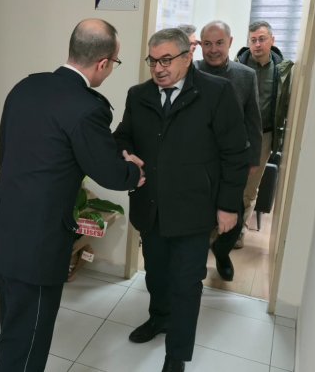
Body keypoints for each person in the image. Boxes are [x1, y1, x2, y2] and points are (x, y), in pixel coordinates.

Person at [0, 18, 145, 372]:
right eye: (115, 63)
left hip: (3, 227)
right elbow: (109, 173)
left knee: (14, 330)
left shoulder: (26, 87)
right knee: (28, 344)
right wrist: (134, 171)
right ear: (103, 63)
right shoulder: (87, 108)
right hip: (37, 241)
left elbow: (8, 150)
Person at [114, 28, 249, 372]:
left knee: (186, 285)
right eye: (152, 61)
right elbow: (123, 136)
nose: (158, 68)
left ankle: (177, 353)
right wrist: (125, 153)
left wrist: (228, 205)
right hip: (152, 206)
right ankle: (159, 317)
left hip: (194, 209)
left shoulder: (216, 92)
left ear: (188, 57)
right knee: (156, 275)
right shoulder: (139, 95)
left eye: (166, 60)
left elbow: (235, 153)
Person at [196, 20, 262, 261]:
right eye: (207, 44)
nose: (213, 49)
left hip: (233, 158)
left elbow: (253, 120)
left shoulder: (246, 75)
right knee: (200, 211)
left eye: (219, 43)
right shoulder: (190, 70)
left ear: (231, 42)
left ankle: (221, 252)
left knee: (233, 214)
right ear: (200, 45)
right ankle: (197, 256)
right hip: (198, 156)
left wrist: (253, 159)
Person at [235, 20, 295, 232]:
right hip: (236, 135)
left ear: (272, 40)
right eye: (253, 40)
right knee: (227, 181)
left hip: (264, 136)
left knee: (250, 188)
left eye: (262, 39)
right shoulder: (237, 66)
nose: (257, 44)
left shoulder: (283, 72)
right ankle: (219, 229)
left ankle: (239, 230)